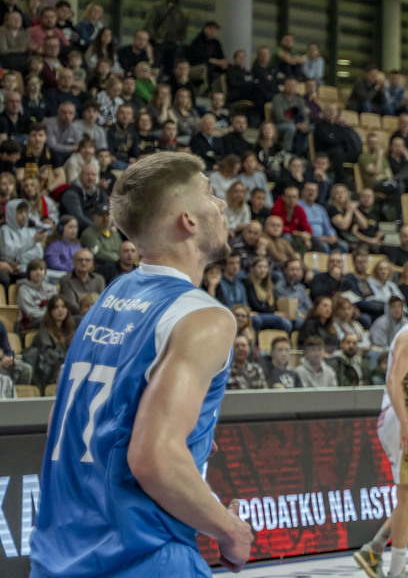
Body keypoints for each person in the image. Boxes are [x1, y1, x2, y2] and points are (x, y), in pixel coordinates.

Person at [30, 152, 255, 577]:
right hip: (143, 556)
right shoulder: (203, 316)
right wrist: (229, 531)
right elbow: (154, 458)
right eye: (210, 193)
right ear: (188, 220)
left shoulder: (109, 298)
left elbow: (70, 423)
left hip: (59, 558)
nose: (222, 204)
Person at [352, 286, 408, 578]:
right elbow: (392, 381)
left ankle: (375, 548)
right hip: (406, 417)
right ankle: (396, 571)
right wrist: (406, 423)